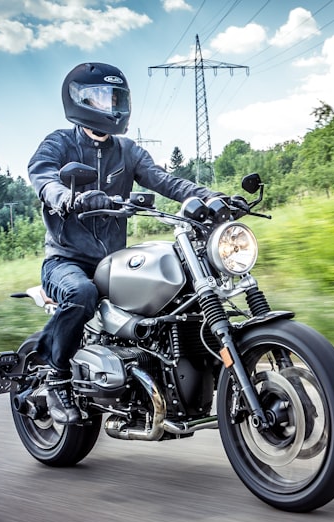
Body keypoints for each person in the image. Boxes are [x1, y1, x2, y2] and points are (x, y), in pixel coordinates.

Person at [28, 62, 220, 425]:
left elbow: (165, 181)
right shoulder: (60, 142)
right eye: (100, 98)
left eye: (115, 98)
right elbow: (43, 176)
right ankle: (55, 377)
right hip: (66, 261)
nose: (110, 105)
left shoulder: (128, 151)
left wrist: (213, 198)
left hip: (112, 262)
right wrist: (66, 198)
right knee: (82, 294)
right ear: (78, 100)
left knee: (178, 288)